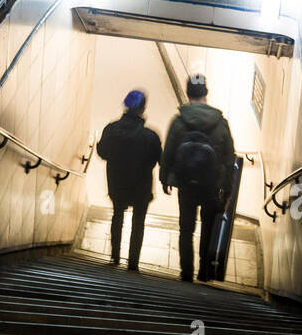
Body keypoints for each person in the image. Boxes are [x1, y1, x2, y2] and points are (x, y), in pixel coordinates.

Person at [161, 73, 236, 283]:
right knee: (208, 226)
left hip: (186, 183)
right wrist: (227, 190)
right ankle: (204, 271)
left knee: (186, 228)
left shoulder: (179, 121)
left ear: (188, 93)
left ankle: (186, 272)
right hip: (212, 184)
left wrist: (165, 177)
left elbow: (168, 152)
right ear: (206, 93)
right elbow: (230, 159)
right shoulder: (221, 123)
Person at [96, 90, 162, 271]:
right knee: (138, 222)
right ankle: (133, 263)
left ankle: (115, 257)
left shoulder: (111, 129)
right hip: (141, 186)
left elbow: (102, 152)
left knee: (117, 215)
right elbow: (159, 159)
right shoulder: (151, 136)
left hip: (117, 184)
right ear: (143, 109)